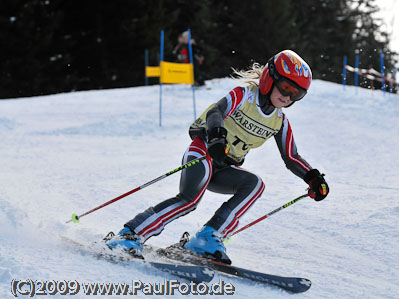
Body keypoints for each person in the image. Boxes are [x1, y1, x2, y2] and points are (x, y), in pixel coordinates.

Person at [105, 50, 329, 264]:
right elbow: (216, 112)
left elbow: (291, 156)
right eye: (286, 87)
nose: (288, 96)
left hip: (223, 167)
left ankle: (206, 238)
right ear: (270, 78)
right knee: (189, 200)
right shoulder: (244, 95)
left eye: (296, 94)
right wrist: (216, 137)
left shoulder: (279, 120)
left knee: (255, 185)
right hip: (203, 151)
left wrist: (313, 178)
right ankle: (130, 234)